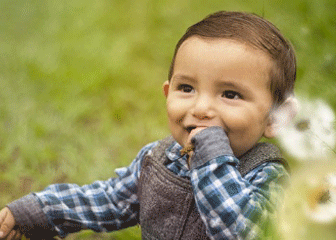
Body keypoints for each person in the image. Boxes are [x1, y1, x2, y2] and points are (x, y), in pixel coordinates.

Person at [0, 11, 298, 240]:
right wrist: (36, 212)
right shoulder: (158, 160)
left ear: (275, 118)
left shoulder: (269, 178)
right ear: (168, 94)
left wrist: (212, 160)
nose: (201, 108)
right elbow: (109, 201)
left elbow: (242, 231)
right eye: (187, 88)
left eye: (230, 94)